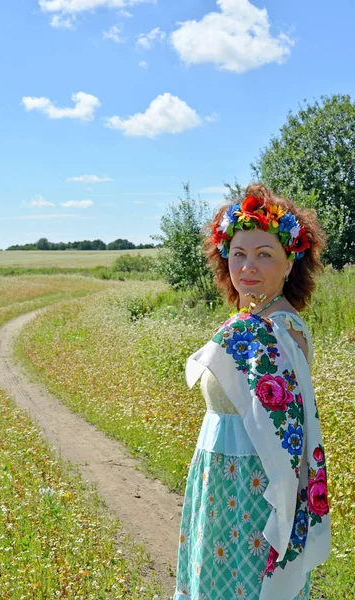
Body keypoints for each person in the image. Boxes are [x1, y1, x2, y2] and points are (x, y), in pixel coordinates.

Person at [173, 184, 331, 600]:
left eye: (264, 255)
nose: (248, 267)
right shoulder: (251, 320)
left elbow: (287, 435)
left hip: (250, 487)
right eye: (239, 254)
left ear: (289, 263)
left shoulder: (279, 328)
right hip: (218, 475)